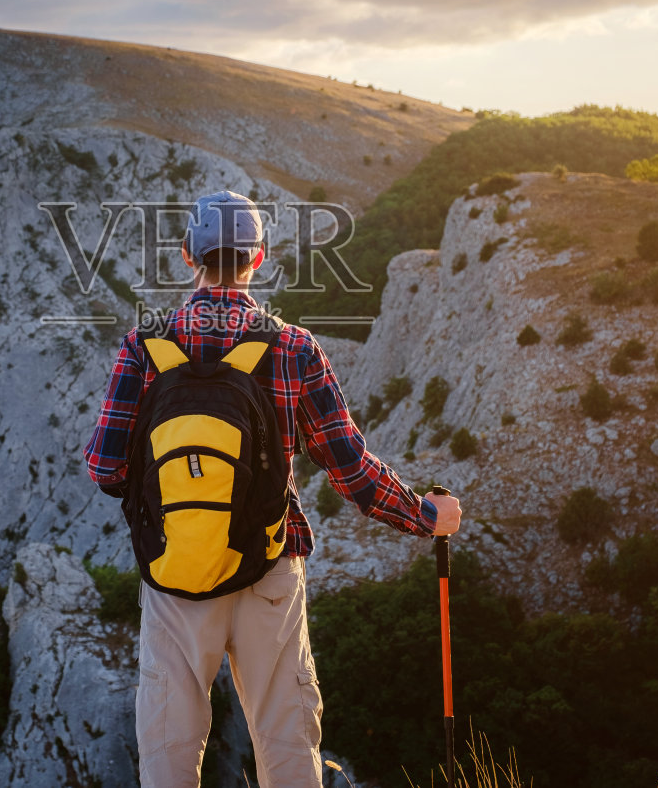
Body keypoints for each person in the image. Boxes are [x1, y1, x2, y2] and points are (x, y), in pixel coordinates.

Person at [85, 189, 463, 787]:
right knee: (286, 745)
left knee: (169, 752)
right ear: (257, 259)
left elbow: (105, 471)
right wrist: (424, 514)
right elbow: (351, 471)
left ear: (189, 255)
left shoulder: (143, 347)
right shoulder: (293, 348)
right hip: (268, 569)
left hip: (176, 578)